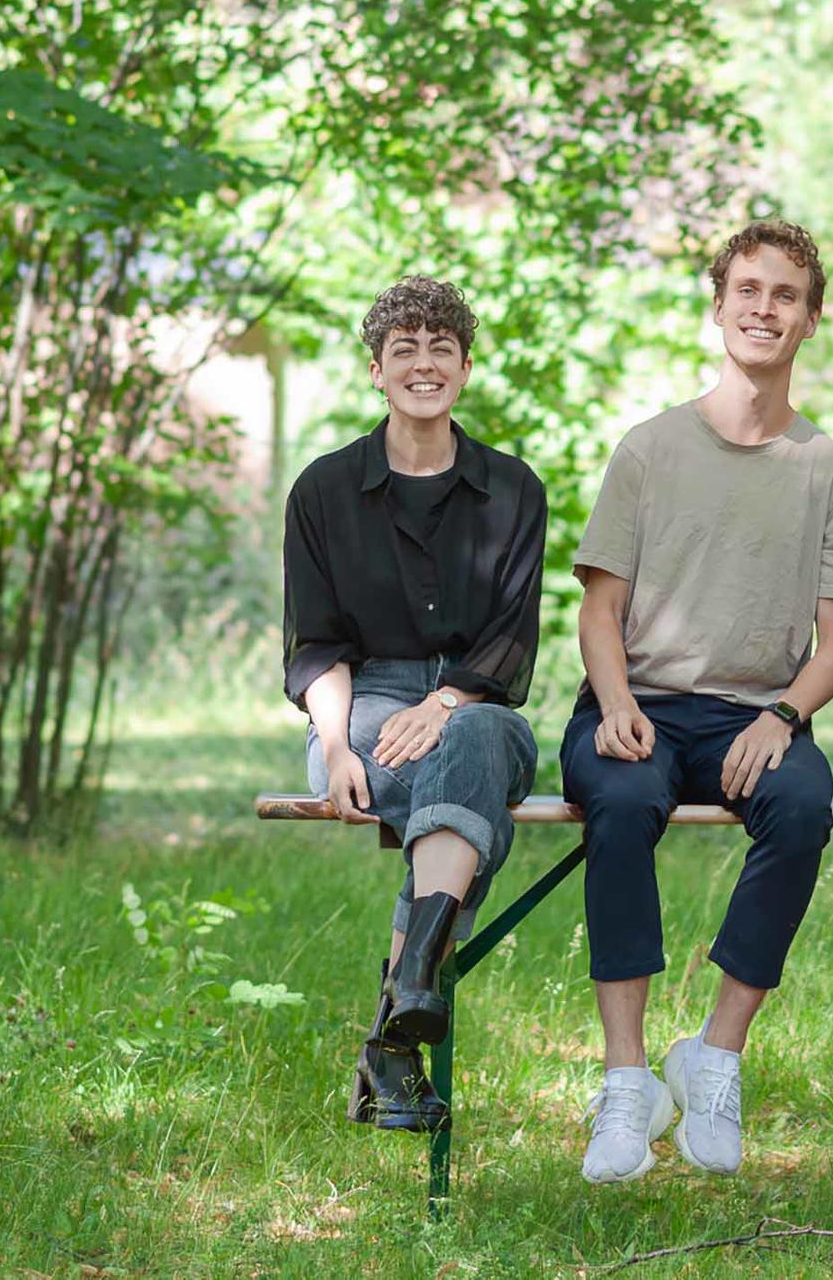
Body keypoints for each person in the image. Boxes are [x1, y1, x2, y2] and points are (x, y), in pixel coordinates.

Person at [562, 220, 833, 1183]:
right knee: (619, 802)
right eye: (748, 289)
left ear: (810, 321)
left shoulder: (827, 471)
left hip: (758, 712)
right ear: (719, 305)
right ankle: (626, 1083)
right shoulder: (650, 448)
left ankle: (716, 1052)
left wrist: (782, 717)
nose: (764, 308)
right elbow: (599, 609)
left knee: (803, 804)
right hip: (639, 702)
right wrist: (615, 701)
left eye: (786, 295)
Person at [282, 277, 546, 1134]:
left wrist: (446, 698)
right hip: (359, 707)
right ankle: (403, 1019)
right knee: (456, 777)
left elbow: (510, 640)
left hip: (474, 697)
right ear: (377, 370)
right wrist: (339, 747)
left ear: (465, 367)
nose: (423, 364)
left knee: (473, 739)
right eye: (405, 349)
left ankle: (400, 1011)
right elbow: (316, 646)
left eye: (441, 349)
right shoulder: (322, 492)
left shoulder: (512, 490)